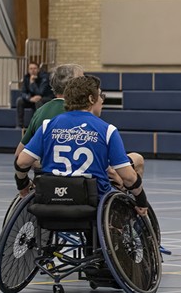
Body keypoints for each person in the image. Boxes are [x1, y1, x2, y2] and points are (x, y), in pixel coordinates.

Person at [14, 75, 148, 215]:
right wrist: (141, 199)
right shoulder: (107, 130)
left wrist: (22, 184)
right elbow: (128, 177)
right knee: (123, 180)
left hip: (51, 197)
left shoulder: (48, 126)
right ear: (91, 99)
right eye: (100, 95)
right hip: (91, 200)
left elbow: (22, 162)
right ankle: (117, 230)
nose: (102, 100)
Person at [16, 61, 54, 128]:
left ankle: (38, 125)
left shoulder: (44, 77)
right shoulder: (27, 77)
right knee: (20, 100)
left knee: (38, 101)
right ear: (28, 70)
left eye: (35, 68)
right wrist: (29, 98)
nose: (33, 70)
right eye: (31, 69)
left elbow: (40, 92)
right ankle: (20, 125)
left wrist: (32, 83)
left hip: (46, 98)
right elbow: (23, 92)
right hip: (32, 99)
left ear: (38, 69)